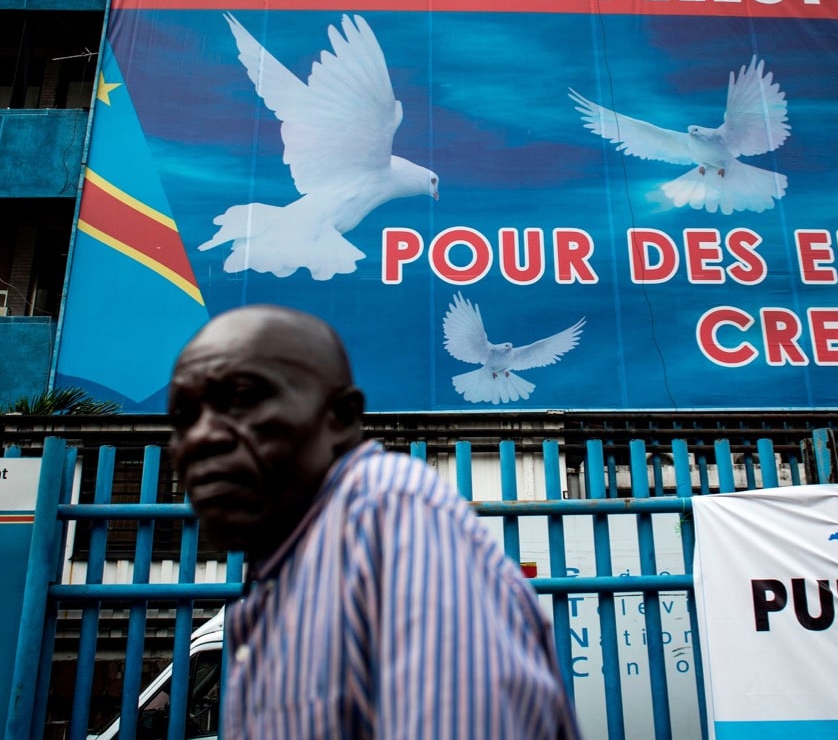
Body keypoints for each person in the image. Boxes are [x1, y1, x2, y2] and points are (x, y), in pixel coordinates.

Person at [168, 304, 580, 738]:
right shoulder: (290, 570)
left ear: (342, 419)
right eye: (182, 417)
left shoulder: (393, 526)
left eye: (243, 400)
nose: (201, 436)